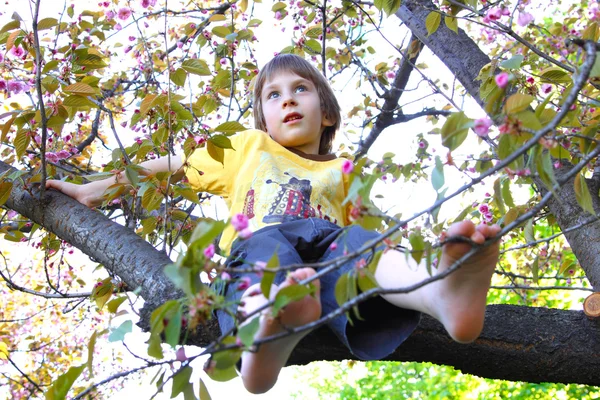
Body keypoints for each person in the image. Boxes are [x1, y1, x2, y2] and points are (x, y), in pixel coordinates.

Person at [47, 54, 501, 394]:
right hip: (263, 248)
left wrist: (408, 258)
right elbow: (170, 164)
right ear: (262, 116)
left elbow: (377, 242)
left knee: (361, 243)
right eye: (274, 94)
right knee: (265, 248)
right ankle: (268, 331)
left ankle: (439, 290)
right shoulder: (247, 147)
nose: (287, 100)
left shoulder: (347, 171)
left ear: (326, 113)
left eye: (300, 89)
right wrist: (97, 189)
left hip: (327, 263)